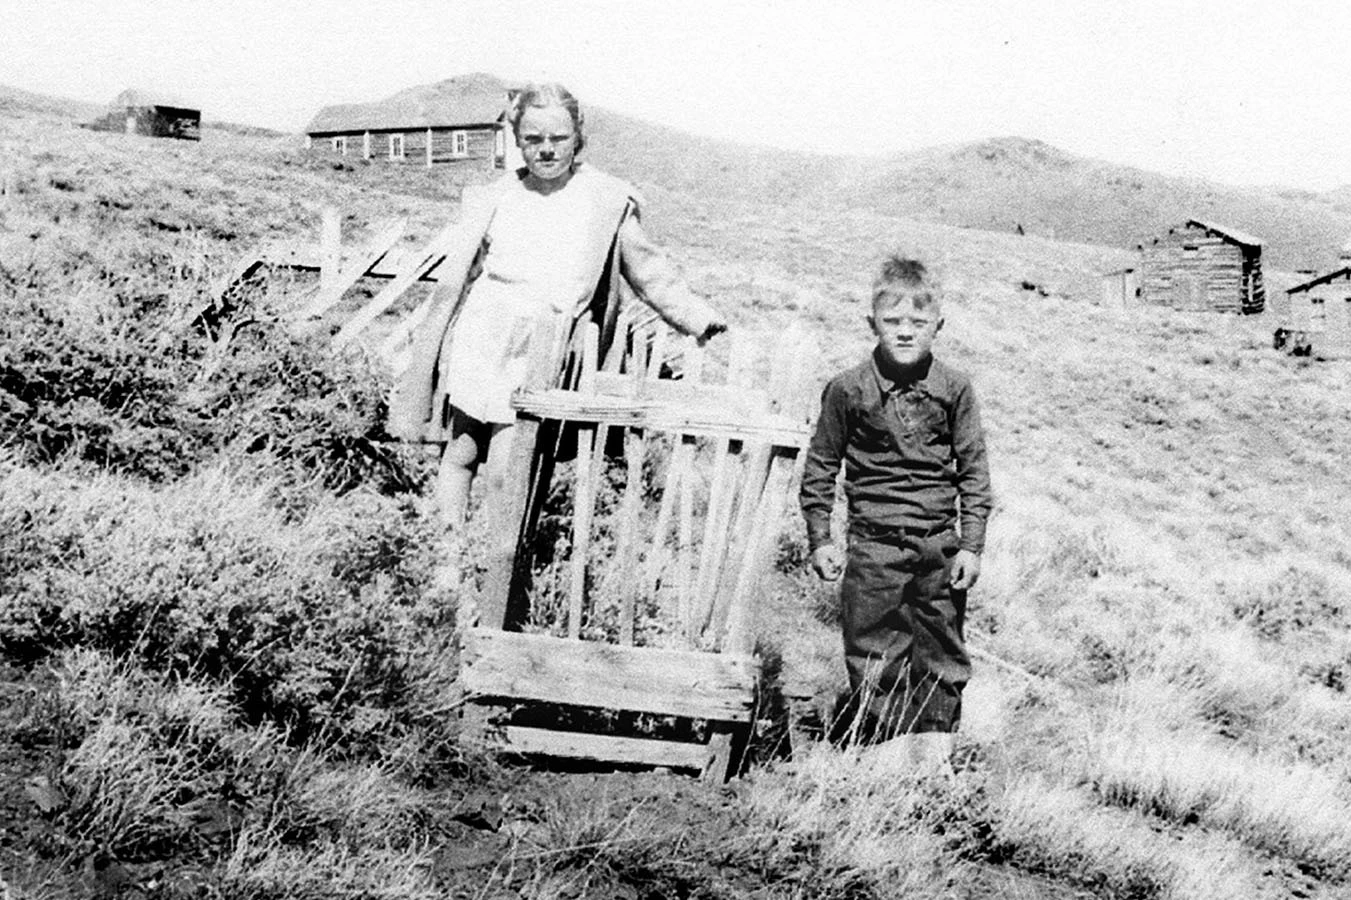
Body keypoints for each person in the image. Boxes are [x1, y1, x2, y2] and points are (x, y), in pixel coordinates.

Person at [388, 82, 727, 528]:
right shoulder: (496, 197)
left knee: (509, 465)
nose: (546, 150)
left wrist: (697, 318)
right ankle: (447, 556)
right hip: (483, 335)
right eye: (533, 139)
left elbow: (648, 269)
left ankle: (493, 566)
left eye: (558, 139)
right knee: (461, 453)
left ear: (577, 137)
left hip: (542, 348)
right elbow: (461, 278)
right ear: (516, 139)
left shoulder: (605, 200)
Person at [798, 255, 992, 768]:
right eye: (893, 322)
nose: (905, 333)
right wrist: (821, 538)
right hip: (875, 544)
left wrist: (971, 545)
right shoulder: (848, 390)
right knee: (874, 645)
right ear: (872, 324)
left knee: (940, 647)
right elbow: (821, 467)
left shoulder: (955, 390)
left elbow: (974, 472)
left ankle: (933, 763)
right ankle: (885, 758)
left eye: (918, 323)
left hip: (938, 545)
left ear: (938, 326)